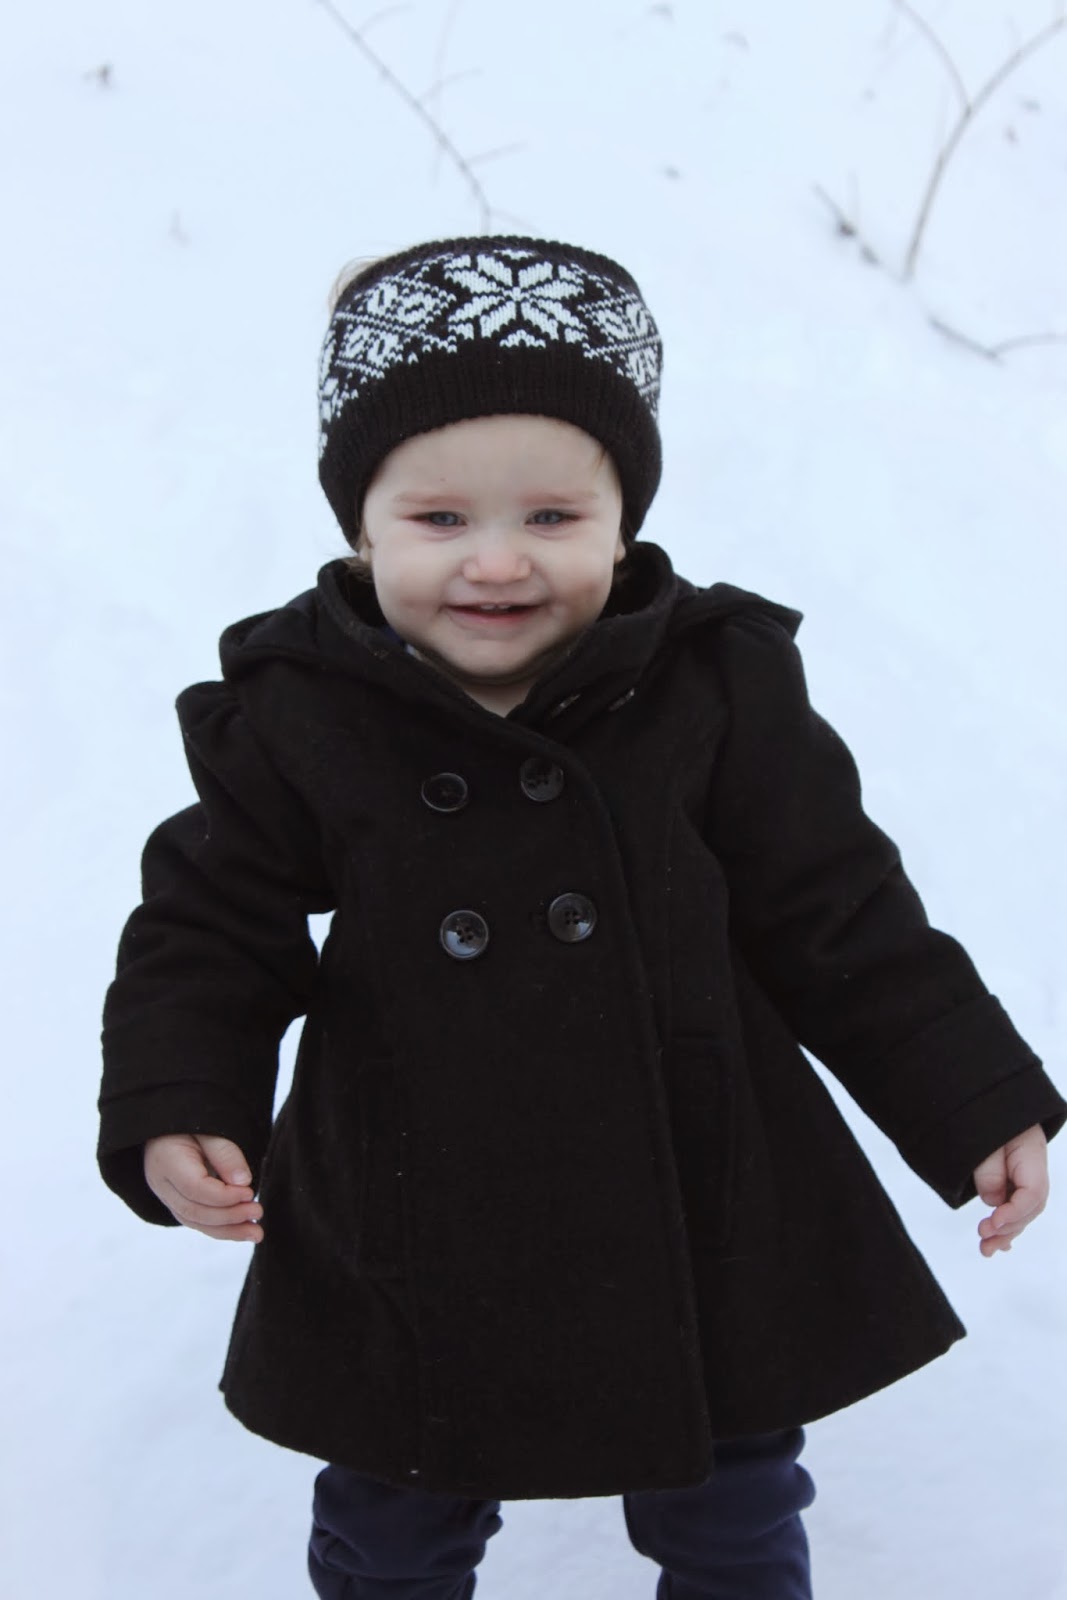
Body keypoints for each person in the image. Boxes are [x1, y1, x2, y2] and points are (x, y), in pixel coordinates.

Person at [98, 235, 1065, 1600]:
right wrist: (179, 1097)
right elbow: (208, 927)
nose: (497, 563)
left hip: (694, 1179)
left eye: (553, 516)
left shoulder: (711, 684)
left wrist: (971, 1098)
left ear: (625, 520)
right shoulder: (302, 709)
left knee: (732, 1506)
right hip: (407, 1198)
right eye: (440, 520)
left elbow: (839, 912)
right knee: (393, 1513)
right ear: (361, 529)